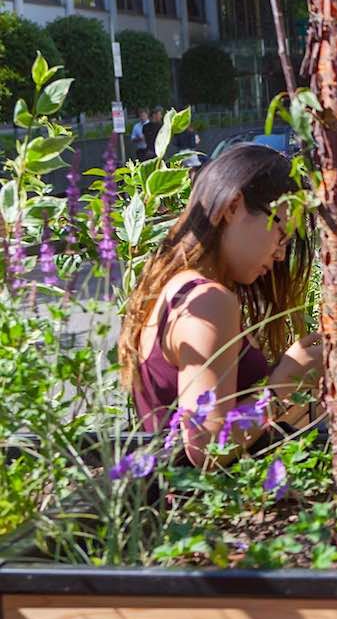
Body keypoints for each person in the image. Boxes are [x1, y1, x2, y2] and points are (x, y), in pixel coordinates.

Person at [118, 144, 320, 467]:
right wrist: (286, 378)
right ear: (234, 207)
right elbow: (207, 445)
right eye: (281, 233)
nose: (281, 254)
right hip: (200, 509)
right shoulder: (208, 300)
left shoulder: (176, 288)